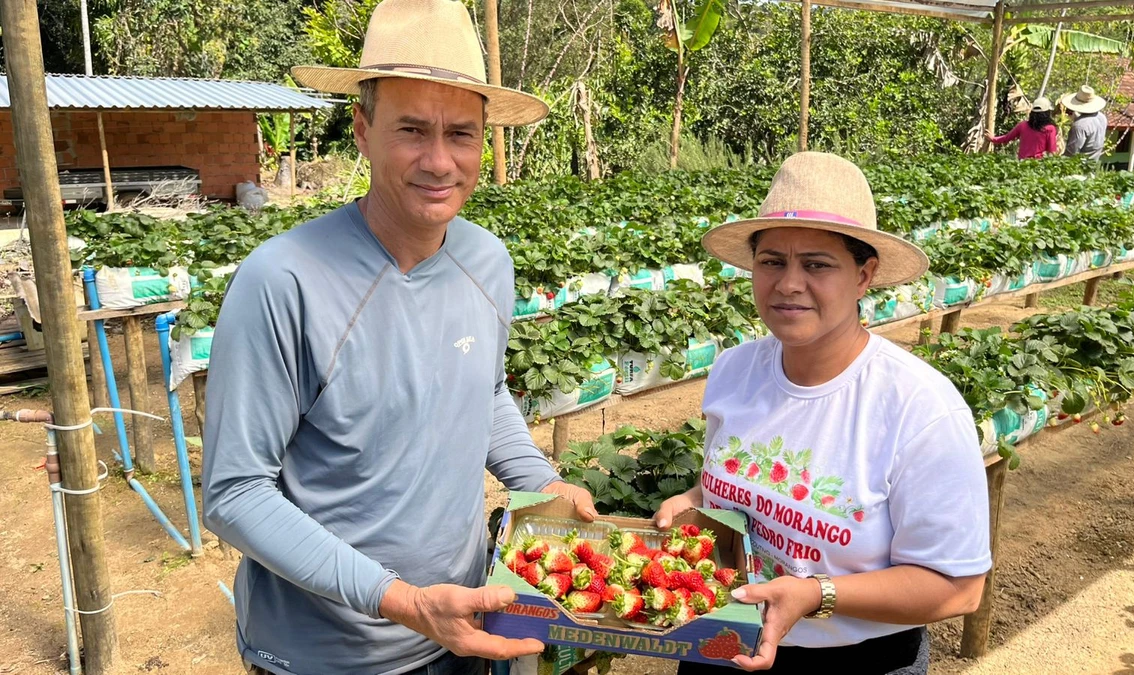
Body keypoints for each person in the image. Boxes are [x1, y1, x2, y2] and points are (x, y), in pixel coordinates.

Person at [201, 1, 597, 674]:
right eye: (412, 129)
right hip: (327, 655)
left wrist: (543, 481)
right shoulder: (283, 282)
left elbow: (485, 391)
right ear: (362, 128)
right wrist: (402, 599)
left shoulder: (487, 263)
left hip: (462, 627)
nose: (439, 161)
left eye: (461, 134)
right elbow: (235, 493)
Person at [654, 152, 992, 674]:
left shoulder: (919, 407)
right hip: (722, 639)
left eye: (817, 264)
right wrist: (693, 500)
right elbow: (739, 483)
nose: (789, 284)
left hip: (854, 661)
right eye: (772, 262)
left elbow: (959, 588)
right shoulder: (733, 371)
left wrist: (817, 594)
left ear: (864, 275)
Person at [985, 97, 1058, 159]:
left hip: (1022, 164)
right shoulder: (1050, 129)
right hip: (1038, 166)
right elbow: (1052, 150)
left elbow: (1006, 138)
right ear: (1047, 113)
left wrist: (993, 139)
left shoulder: (1023, 125)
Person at [1061, 85, 1109, 159]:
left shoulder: (1079, 126)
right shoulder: (1102, 117)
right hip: (1093, 163)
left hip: (1080, 165)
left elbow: (1072, 152)